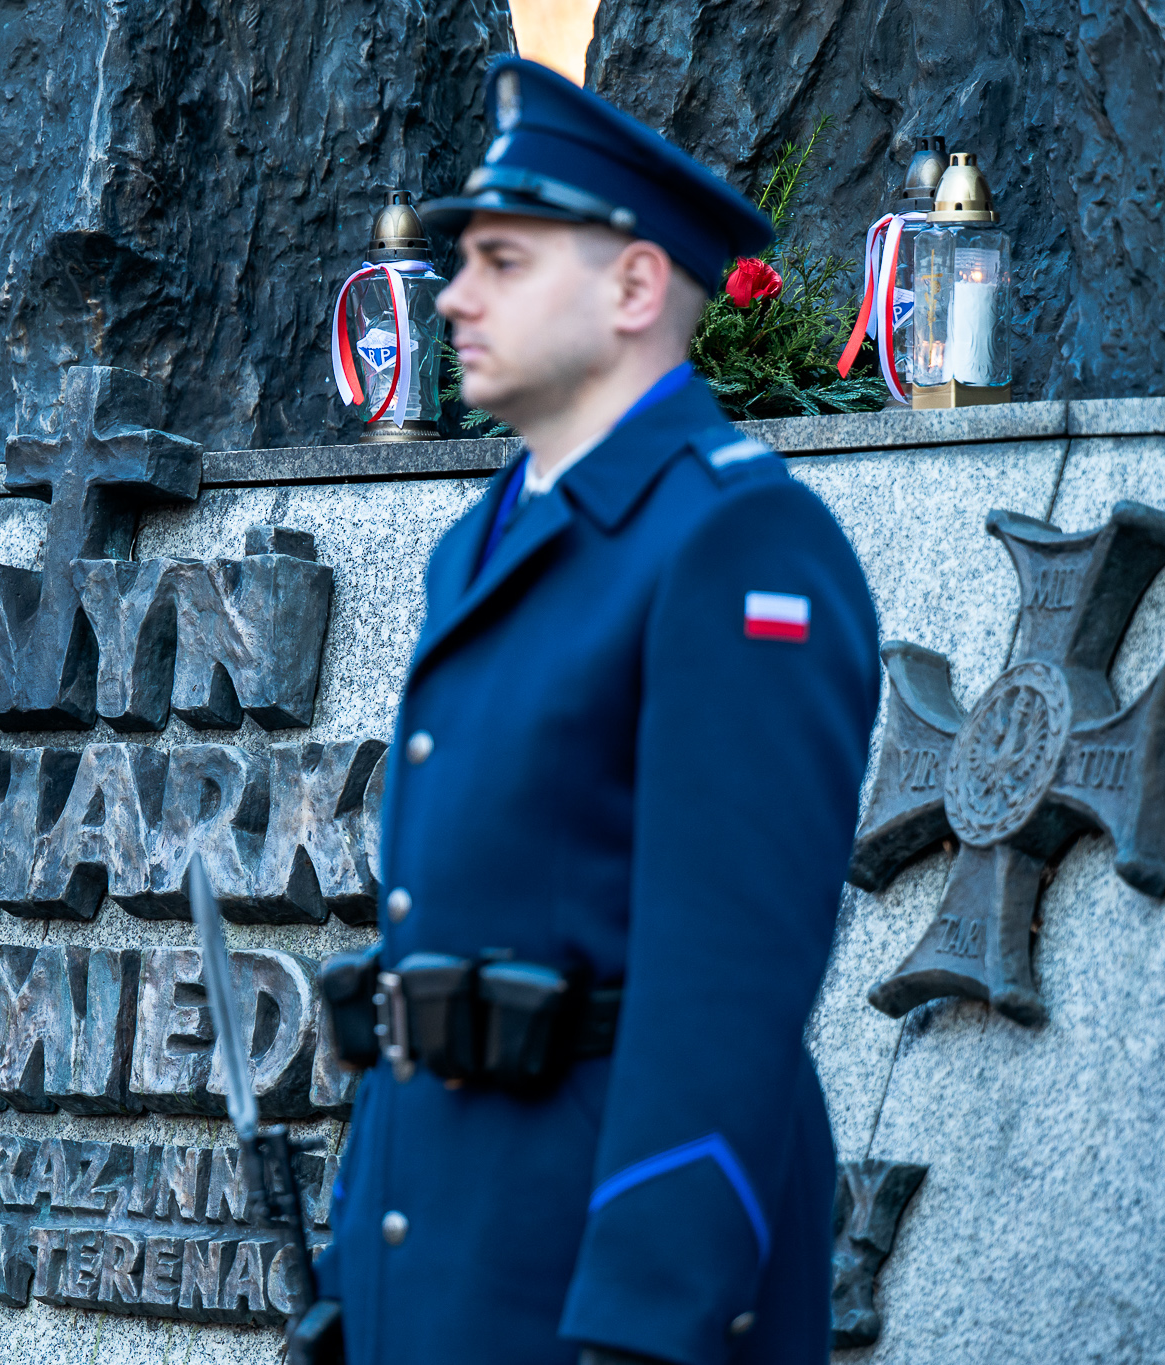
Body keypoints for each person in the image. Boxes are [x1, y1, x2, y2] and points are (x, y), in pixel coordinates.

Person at [307, 58, 881, 1365]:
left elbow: (729, 983)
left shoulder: (738, 542)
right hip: (443, 1254)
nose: (453, 295)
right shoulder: (482, 540)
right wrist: (357, 1272)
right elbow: (435, 944)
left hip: (589, 1284)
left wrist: (646, 1321)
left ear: (632, 288)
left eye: (503, 262)